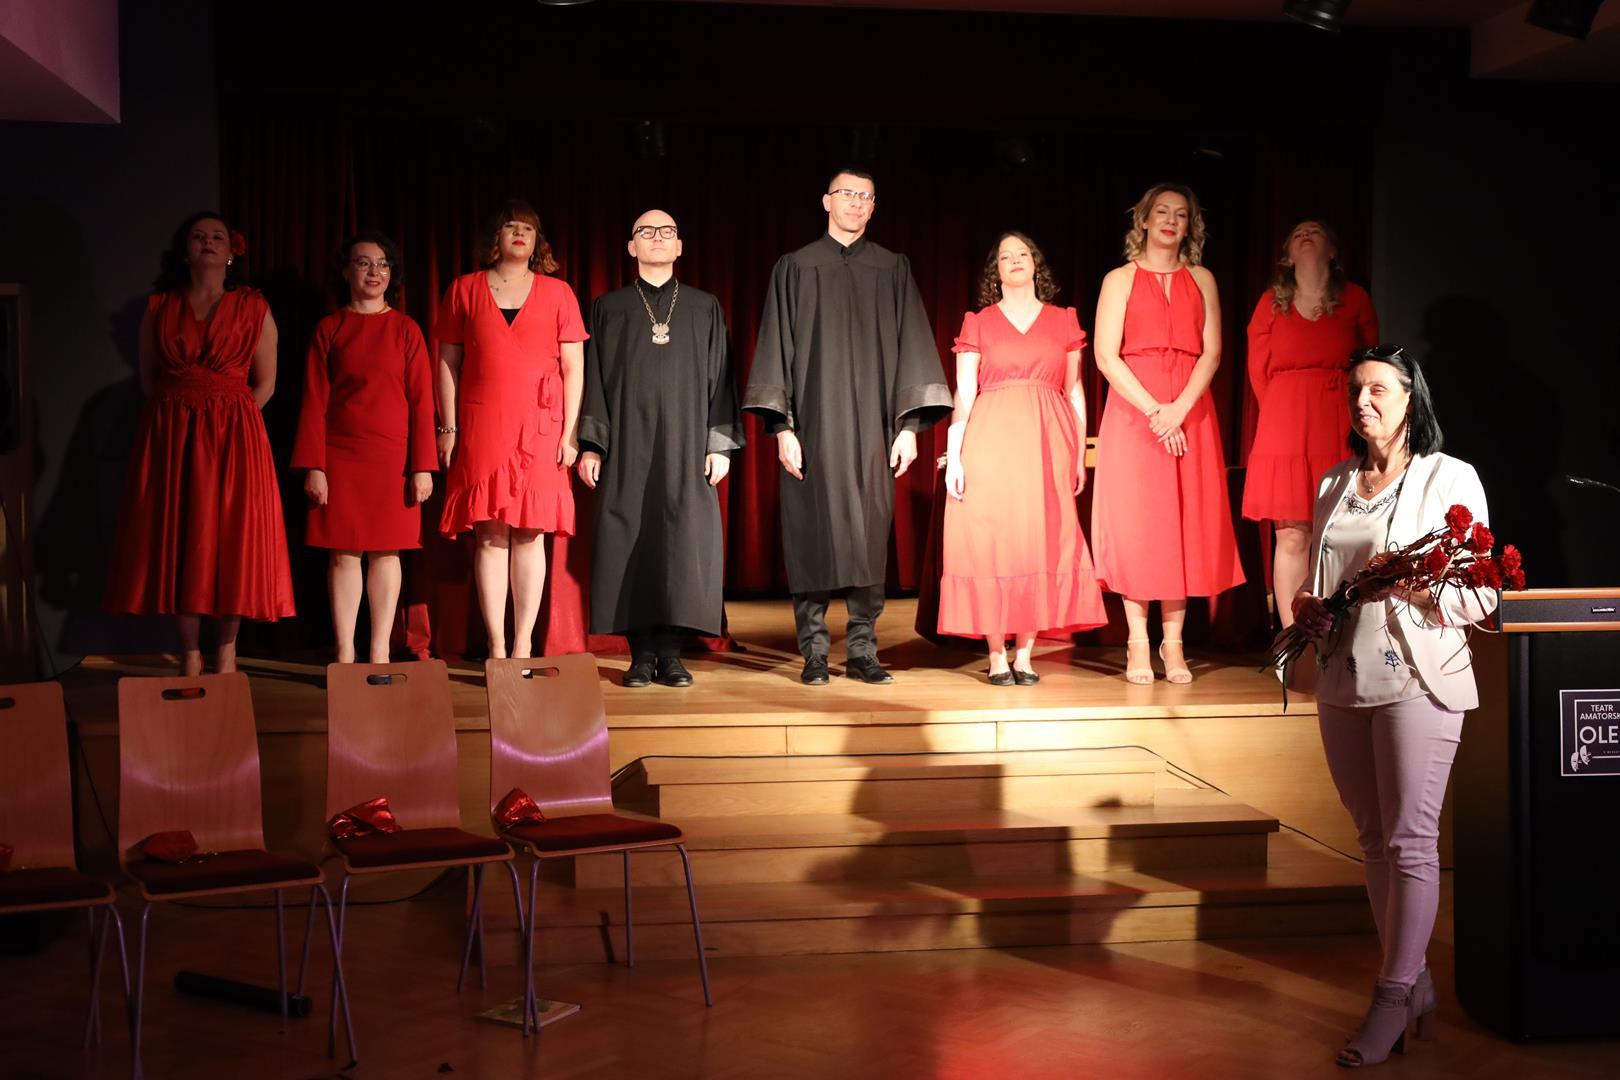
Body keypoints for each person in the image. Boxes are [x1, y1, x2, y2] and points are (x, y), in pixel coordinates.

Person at [1290, 345, 1493, 1067]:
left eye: (1378, 388)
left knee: (1410, 841)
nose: (1363, 401)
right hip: (1342, 678)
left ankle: (1390, 997)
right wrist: (1307, 604)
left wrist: (1410, 586)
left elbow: (1482, 595)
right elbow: (1319, 576)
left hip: (1417, 679)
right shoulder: (1334, 481)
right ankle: (1418, 987)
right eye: (1355, 389)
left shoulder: (1449, 477)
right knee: (1373, 841)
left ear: (1412, 398)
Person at [744, 167, 952, 685]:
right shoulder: (795, 267)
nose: (856, 202)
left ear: (874, 207)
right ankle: (814, 652)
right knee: (811, 533)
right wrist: (782, 429)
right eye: (847, 194)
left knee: (868, 534)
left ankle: (862, 649)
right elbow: (776, 348)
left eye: (866, 196)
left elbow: (913, 345)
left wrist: (909, 429)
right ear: (826, 201)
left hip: (875, 430)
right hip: (812, 428)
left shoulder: (892, 268)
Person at [105, 211, 294, 674]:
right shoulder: (160, 307)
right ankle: (190, 651)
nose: (208, 242)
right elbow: (150, 380)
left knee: (233, 538)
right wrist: (182, 415)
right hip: (173, 436)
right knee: (181, 534)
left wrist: (229, 418)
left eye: (217, 237)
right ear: (185, 250)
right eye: (198, 236)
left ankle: (226, 652)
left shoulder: (253, 307)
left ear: (231, 252)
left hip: (235, 438)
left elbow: (266, 383)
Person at [578, 210, 743, 688]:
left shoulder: (703, 306)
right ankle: (641, 654)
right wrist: (592, 445)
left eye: (666, 232)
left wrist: (719, 444)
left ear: (679, 246)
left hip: (687, 444)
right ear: (631, 247)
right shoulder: (609, 307)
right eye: (646, 232)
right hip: (627, 444)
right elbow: (594, 381)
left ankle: (671, 654)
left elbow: (722, 378)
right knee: (630, 541)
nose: (657, 238)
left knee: (682, 543)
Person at [1090, 183, 1243, 685]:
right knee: (1140, 525)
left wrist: (1179, 409)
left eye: (1180, 214)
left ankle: (1172, 645)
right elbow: (1106, 355)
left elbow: (1212, 352)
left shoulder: (1202, 278)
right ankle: (1137, 642)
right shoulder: (1119, 279)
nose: (1171, 220)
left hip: (1190, 409)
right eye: (1162, 211)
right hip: (1136, 411)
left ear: (1189, 225)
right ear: (1144, 219)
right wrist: (1157, 411)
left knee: (1183, 525)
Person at [940, 232, 1107, 684]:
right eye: (1005, 256)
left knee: (1039, 539)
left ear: (1036, 264)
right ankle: (997, 653)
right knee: (992, 541)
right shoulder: (978, 322)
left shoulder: (1063, 320)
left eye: (1023, 254)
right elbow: (964, 393)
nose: (1015, 260)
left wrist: (1078, 452)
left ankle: (1025, 653)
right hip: (990, 439)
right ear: (995, 271)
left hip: (1047, 441)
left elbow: (1074, 390)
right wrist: (955, 454)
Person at [435, 200, 586, 660]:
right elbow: (447, 362)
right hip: (483, 423)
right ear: (495, 238)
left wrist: (570, 434)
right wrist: (449, 427)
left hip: (541, 427)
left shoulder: (558, 293)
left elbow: (573, 367)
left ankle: (522, 646)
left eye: (528, 228)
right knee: (489, 533)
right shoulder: (464, 289)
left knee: (530, 533)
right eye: (510, 227)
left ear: (537, 242)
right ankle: (496, 647)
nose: (519, 234)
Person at [292, 232, 436, 664]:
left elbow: (422, 402)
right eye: (363, 263)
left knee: (387, 552)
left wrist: (422, 466)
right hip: (340, 456)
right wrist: (314, 466)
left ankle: (379, 653)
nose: (375, 272)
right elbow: (313, 401)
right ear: (345, 271)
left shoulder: (406, 329)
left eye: (383, 264)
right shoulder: (329, 329)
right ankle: (344, 654)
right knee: (343, 554)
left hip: (393, 460)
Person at [1243, 220, 1379, 628]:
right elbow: (1258, 372)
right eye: (1298, 233)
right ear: (1287, 255)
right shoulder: (1270, 303)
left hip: (1337, 418)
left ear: (1332, 251)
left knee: (1339, 529)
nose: (1306, 235)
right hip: (1284, 423)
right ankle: (1292, 639)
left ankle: (1338, 632)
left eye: (1316, 231)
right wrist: (1285, 407)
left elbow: (1371, 362)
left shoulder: (1354, 299)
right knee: (1291, 533)